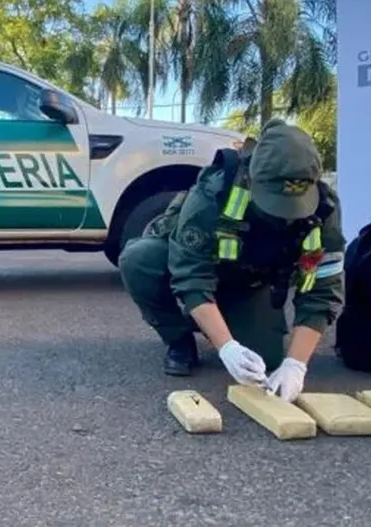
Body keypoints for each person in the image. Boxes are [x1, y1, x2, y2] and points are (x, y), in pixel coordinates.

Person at [117, 118, 345, 403]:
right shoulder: (215, 191)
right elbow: (191, 275)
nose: (285, 214)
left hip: (248, 285)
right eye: (275, 200)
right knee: (139, 259)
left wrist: (296, 365)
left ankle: (223, 322)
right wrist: (226, 347)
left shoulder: (324, 208)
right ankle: (179, 339)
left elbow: (323, 290)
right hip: (202, 271)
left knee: (266, 360)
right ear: (252, 177)